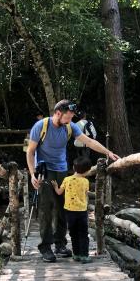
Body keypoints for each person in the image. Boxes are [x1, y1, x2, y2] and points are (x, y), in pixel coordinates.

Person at [26, 99, 119, 263]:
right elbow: (31, 151)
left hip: (62, 170)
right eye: (67, 117)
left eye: (71, 118)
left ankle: (60, 245)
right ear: (57, 113)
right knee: (46, 210)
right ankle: (45, 247)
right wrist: (32, 174)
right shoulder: (41, 126)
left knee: (63, 209)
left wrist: (108, 152)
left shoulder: (70, 126)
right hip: (44, 171)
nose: (69, 121)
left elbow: (89, 141)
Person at [51, 156, 93, 263]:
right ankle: (84, 255)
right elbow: (85, 194)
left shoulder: (67, 179)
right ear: (88, 171)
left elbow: (59, 192)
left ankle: (76, 254)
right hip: (82, 212)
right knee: (83, 234)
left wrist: (56, 186)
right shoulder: (85, 182)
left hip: (69, 212)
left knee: (73, 234)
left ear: (74, 167)